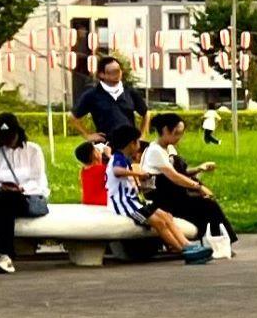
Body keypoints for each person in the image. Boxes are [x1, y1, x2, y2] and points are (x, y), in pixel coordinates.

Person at [106, 124, 212, 264]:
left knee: (166, 216)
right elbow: (117, 171)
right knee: (158, 222)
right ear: (131, 144)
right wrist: (138, 173)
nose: (139, 145)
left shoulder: (124, 158)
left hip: (134, 201)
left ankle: (187, 244)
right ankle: (184, 250)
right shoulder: (118, 158)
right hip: (125, 204)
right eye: (137, 142)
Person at [142, 113, 234, 249]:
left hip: (175, 197)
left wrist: (198, 169)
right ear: (166, 130)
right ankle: (219, 244)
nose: (179, 137)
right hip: (164, 201)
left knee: (208, 206)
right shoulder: (155, 151)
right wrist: (198, 187)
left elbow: (180, 173)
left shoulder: (168, 148)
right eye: (176, 133)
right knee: (209, 206)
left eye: (181, 133)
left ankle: (219, 244)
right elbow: (175, 176)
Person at [0, 113, 48, 275]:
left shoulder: (33, 150)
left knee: (4, 200)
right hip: (5, 200)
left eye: (11, 136)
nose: (9, 141)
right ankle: (6, 258)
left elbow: (39, 182)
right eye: (4, 137)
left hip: (29, 200)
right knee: (4, 201)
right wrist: (0, 188)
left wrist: (21, 189)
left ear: (18, 132)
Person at [71, 56, 147, 141]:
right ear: (101, 74)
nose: (117, 74)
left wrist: (142, 134)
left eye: (118, 70)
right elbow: (73, 117)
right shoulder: (92, 95)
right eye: (112, 72)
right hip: (106, 145)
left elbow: (145, 113)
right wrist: (87, 135)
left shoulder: (129, 92)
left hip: (130, 145)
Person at [76, 140, 109, 206]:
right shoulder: (103, 169)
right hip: (102, 203)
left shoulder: (83, 171)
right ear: (94, 154)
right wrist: (109, 154)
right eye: (96, 149)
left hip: (87, 203)